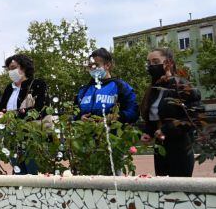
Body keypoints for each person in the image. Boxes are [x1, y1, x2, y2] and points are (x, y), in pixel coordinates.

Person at [140, 48, 202, 177]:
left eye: (155, 61)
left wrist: (167, 130)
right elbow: (154, 116)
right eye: (149, 63)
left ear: (169, 63)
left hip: (180, 145)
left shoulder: (182, 86)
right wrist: (147, 132)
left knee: (180, 187)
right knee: (163, 187)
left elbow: (195, 116)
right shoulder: (153, 89)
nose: (151, 66)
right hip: (160, 146)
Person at [0, 54, 48, 174]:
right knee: (18, 173)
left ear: (24, 67)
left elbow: (41, 109)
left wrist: (12, 116)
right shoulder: (9, 89)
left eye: (13, 67)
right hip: (11, 138)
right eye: (9, 69)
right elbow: (2, 109)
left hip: (31, 137)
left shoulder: (38, 84)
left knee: (34, 173)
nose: (11, 71)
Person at [76, 48, 138, 124]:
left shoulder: (121, 86)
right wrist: (80, 118)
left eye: (96, 65)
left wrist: (117, 117)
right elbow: (73, 114)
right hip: (87, 134)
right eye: (90, 66)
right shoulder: (83, 90)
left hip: (112, 134)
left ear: (107, 65)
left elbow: (134, 112)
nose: (92, 68)